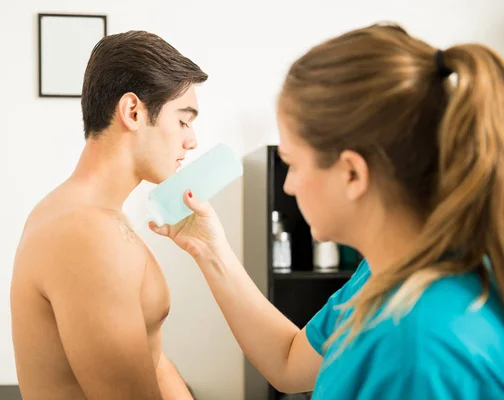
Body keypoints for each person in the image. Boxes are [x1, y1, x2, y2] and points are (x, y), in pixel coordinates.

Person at [150, 23, 504, 399]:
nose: (288, 185)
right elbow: (289, 363)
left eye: (294, 164)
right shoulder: (389, 274)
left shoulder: (416, 348)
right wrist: (209, 248)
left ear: (351, 173)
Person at [10, 30, 207, 400]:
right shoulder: (85, 234)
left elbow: (154, 359)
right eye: (183, 120)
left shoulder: (96, 216)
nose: (192, 140)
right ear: (133, 111)